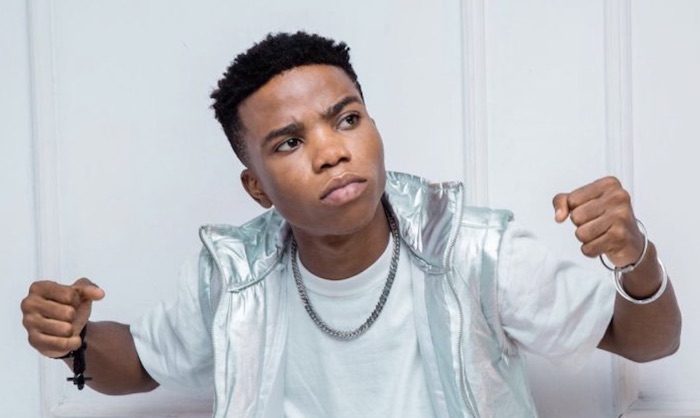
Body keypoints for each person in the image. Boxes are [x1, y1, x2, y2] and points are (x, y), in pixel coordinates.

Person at [21, 31, 681, 417]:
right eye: (289, 142)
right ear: (257, 188)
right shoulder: (235, 278)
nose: (332, 151)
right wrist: (73, 339)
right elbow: (137, 363)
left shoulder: (476, 251)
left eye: (346, 119)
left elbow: (647, 341)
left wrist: (636, 258)